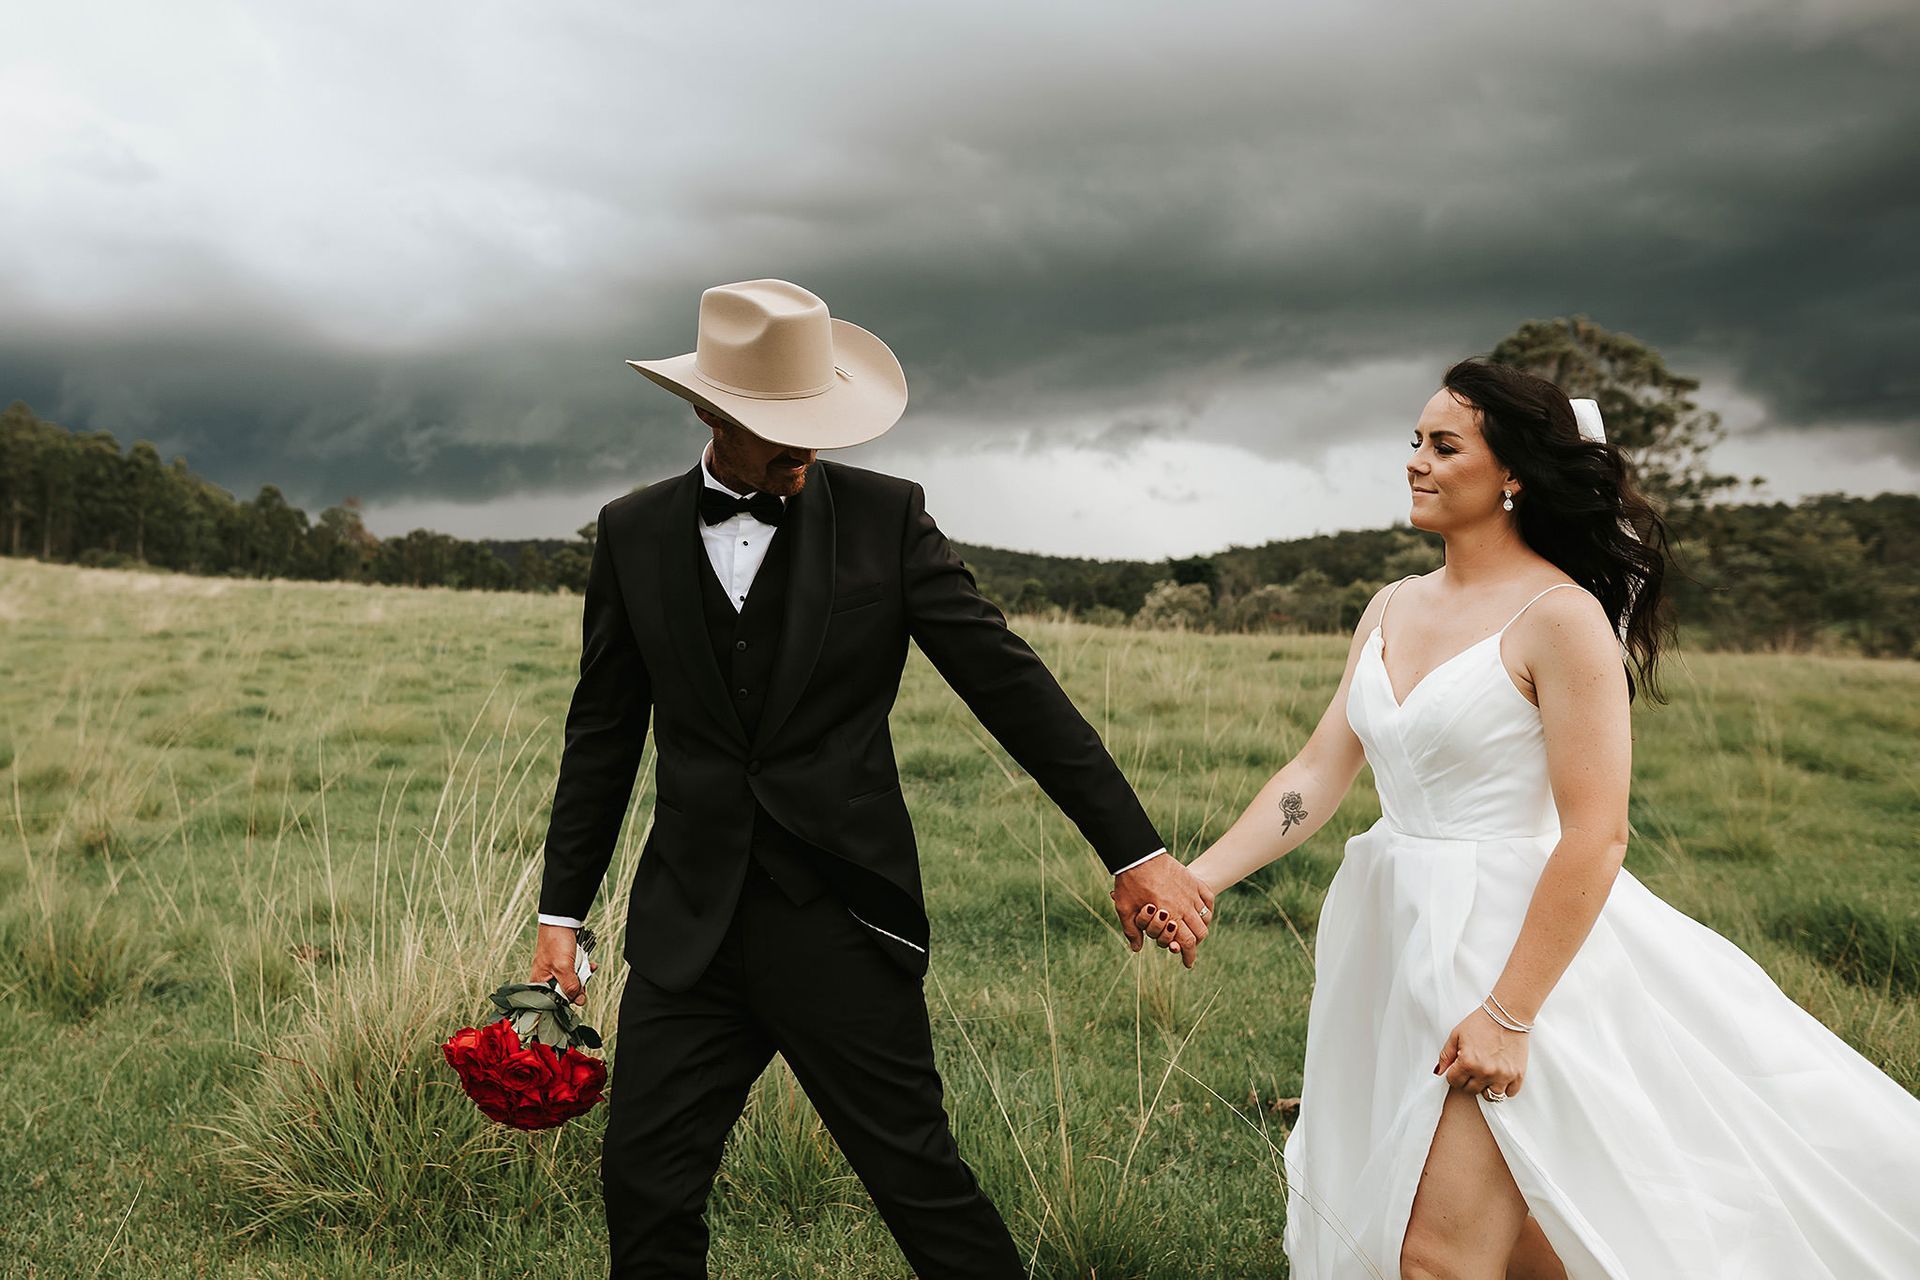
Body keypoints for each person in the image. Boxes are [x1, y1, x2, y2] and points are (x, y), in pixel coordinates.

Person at [1137, 359, 1920, 1277]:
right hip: (1392, 938)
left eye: (1444, 445)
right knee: (1540, 1248)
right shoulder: (1390, 606)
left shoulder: (1562, 619)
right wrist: (1198, 879)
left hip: (1517, 947)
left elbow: (1599, 833)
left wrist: (1510, 1013)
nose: (1415, 463)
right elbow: (1319, 769)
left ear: (1512, 473)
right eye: (1415, 443)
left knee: (1436, 1258)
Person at [525, 279, 1215, 1279]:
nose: (805, 452)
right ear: (711, 411)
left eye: (815, 424)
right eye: (777, 427)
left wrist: (1136, 850)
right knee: (644, 1183)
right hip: (690, 930)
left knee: (918, 1180)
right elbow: (601, 733)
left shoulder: (888, 522)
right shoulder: (630, 534)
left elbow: (1011, 686)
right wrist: (561, 912)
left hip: (842, 920)